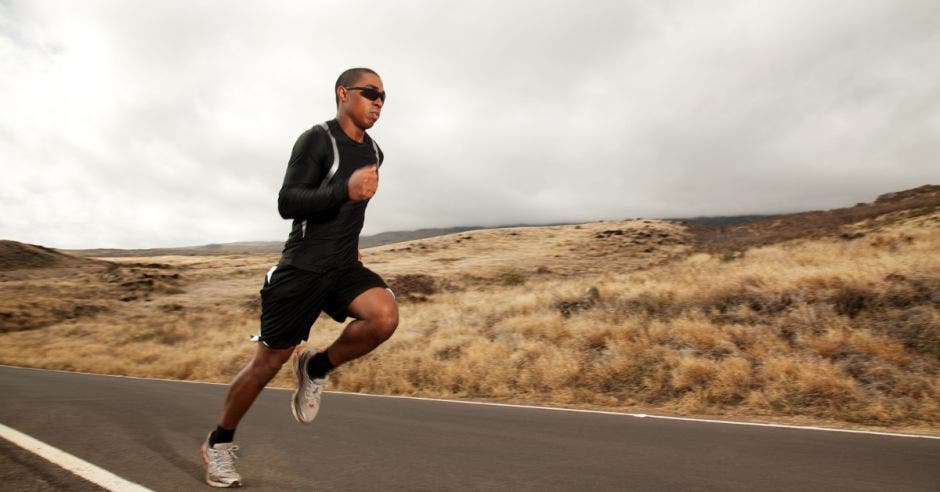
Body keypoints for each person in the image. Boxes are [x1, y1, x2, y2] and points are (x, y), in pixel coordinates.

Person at [200, 67, 399, 488]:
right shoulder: (317, 140)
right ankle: (218, 444)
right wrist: (343, 189)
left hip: (343, 266)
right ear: (343, 94)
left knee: (383, 316)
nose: (379, 102)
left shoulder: (376, 152)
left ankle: (317, 366)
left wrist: (352, 235)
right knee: (267, 363)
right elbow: (288, 202)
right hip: (302, 268)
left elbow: (354, 212)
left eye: (384, 97)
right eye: (371, 93)